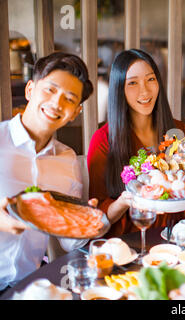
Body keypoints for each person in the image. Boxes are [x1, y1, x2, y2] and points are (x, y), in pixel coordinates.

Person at [0, 52, 94, 292]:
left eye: (69, 99)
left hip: (28, 286)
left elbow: (69, 242)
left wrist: (85, 221)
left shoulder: (67, 159)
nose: (57, 103)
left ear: (75, 113)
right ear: (30, 89)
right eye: (50, 90)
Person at [87, 49, 185, 238]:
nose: (144, 91)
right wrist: (124, 202)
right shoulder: (103, 140)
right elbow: (96, 216)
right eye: (133, 83)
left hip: (175, 237)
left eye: (150, 79)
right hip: (127, 244)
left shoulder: (178, 130)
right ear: (119, 89)